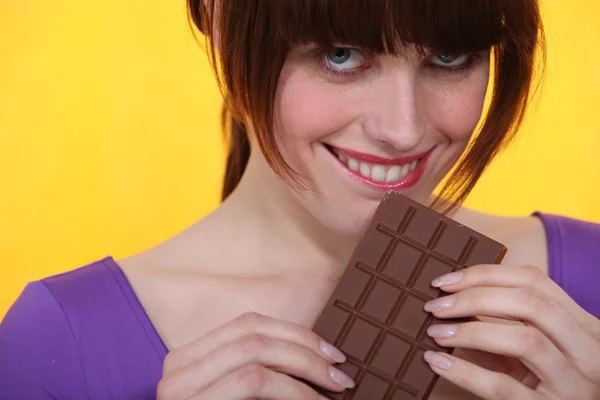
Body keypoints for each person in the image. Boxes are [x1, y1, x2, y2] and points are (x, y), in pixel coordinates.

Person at [1, 0, 599, 399]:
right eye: (340, 55)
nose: (404, 129)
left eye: (450, 57)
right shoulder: (61, 344)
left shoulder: (589, 282)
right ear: (216, 17)